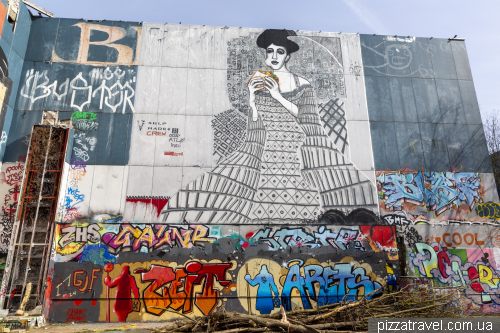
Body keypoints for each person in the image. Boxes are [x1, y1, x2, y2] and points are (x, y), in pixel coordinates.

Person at [161, 29, 375, 224]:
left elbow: (306, 117)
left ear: (287, 56)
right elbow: (254, 125)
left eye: (279, 52)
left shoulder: (302, 84)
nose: (274, 56)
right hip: (267, 151)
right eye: (270, 51)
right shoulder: (258, 82)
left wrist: (277, 95)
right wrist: (253, 97)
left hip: (294, 149)